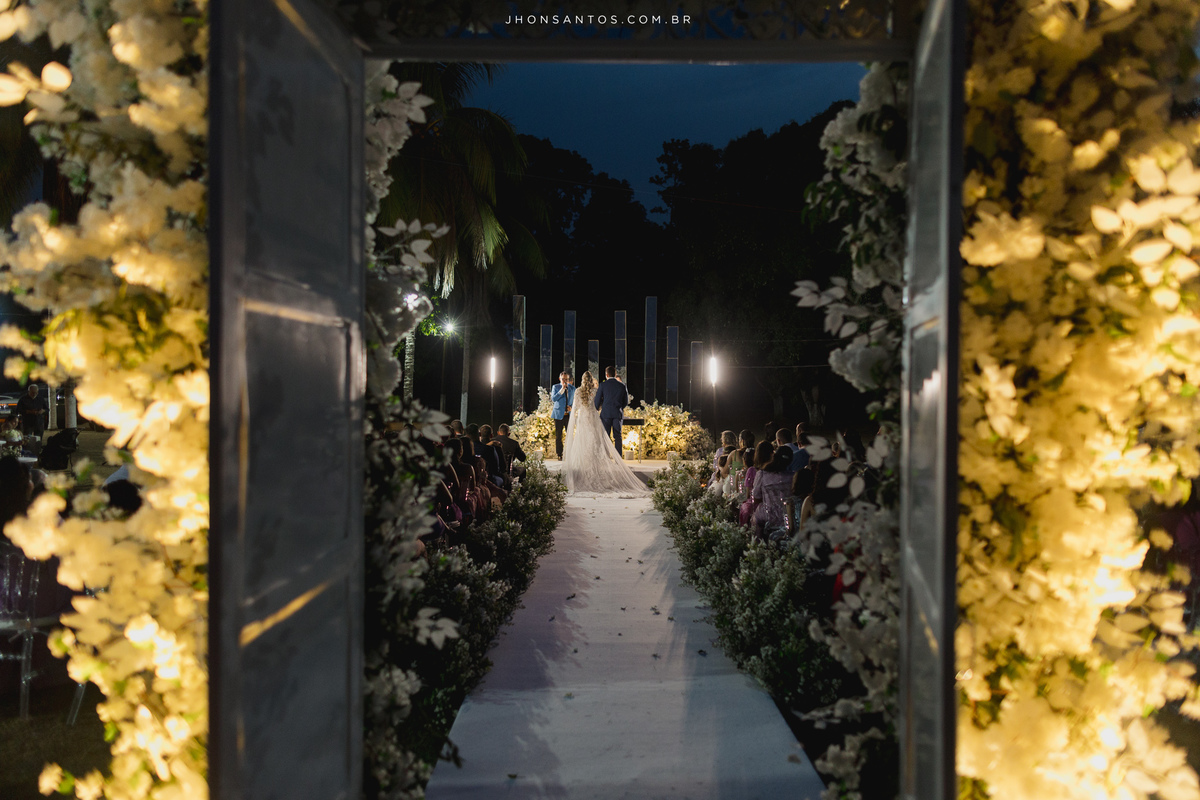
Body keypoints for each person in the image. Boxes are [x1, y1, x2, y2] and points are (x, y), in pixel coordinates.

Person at [562, 371, 647, 497]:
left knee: (583, 441)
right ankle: (596, 465)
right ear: (591, 380)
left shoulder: (578, 391)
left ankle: (584, 466)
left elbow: (576, 407)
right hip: (593, 417)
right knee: (595, 441)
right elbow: (598, 405)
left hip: (583, 419)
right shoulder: (595, 391)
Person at [752, 446, 794, 541]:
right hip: (789, 516)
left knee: (755, 517)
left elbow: (756, 496)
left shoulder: (762, 474)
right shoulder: (793, 476)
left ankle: (758, 544)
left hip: (768, 515)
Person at [593, 366, 629, 456]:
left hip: (606, 414)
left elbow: (597, 401)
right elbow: (626, 401)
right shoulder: (622, 385)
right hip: (617, 413)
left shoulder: (603, 385)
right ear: (615, 374)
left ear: (607, 375)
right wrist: (619, 408)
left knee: (606, 436)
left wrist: (597, 407)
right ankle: (618, 459)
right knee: (618, 436)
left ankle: (606, 458)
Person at [551, 371, 575, 460]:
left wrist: (572, 407)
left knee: (570, 435)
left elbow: (575, 401)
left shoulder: (572, 388)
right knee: (559, 436)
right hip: (558, 415)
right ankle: (559, 454)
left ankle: (569, 453)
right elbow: (553, 399)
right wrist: (562, 390)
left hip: (568, 415)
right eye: (563, 379)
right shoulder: (556, 387)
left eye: (566, 379)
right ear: (559, 379)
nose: (565, 381)